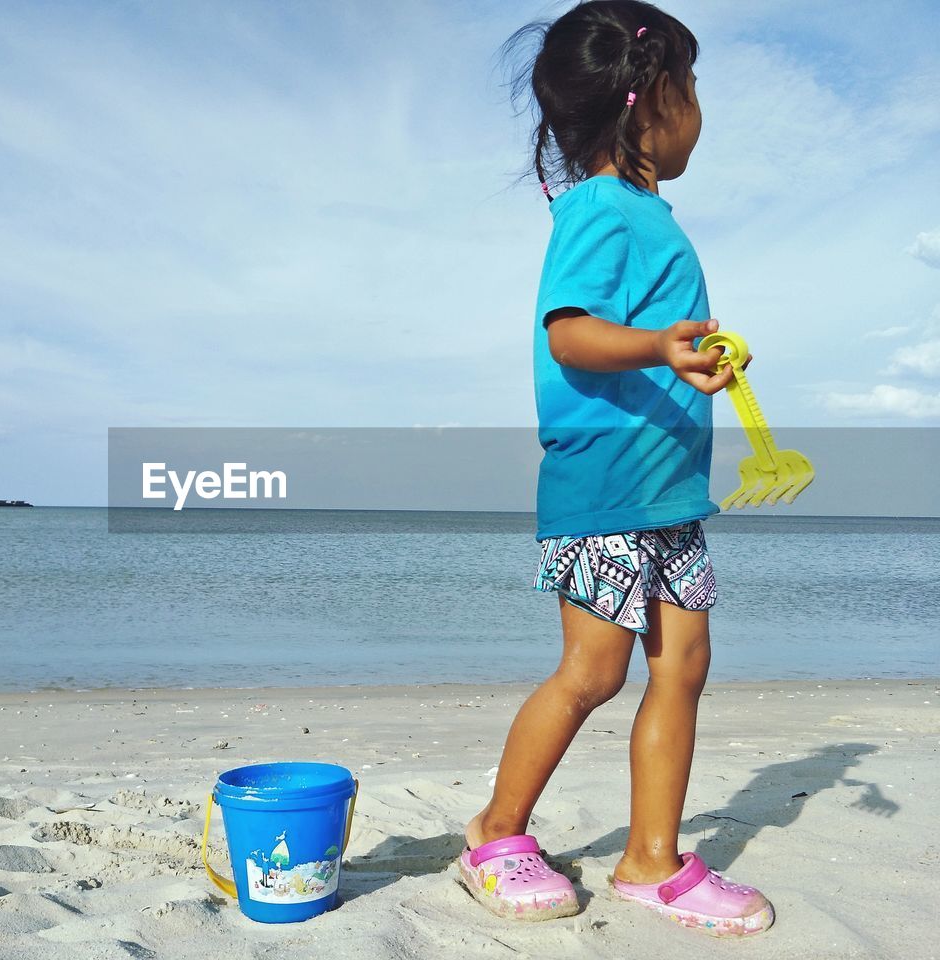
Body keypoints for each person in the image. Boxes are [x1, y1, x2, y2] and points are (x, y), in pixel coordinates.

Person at [456, 0, 774, 938]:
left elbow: (645, 341)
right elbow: (572, 334)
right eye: (695, 85)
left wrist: (696, 359)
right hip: (603, 489)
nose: (701, 110)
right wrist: (656, 347)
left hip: (668, 489)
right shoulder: (598, 209)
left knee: (683, 669)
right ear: (649, 103)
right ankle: (495, 835)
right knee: (592, 673)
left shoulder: (649, 217)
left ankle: (650, 860)